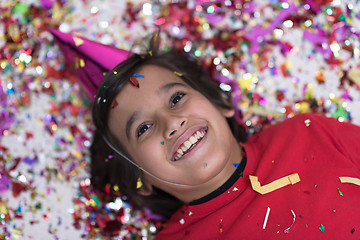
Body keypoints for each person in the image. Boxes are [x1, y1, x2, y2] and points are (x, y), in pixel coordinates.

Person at [91, 37, 360, 239]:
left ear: (220, 104)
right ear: (140, 179)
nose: (172, 122)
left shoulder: (306, 132)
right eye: (143, 128)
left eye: (176, 98)